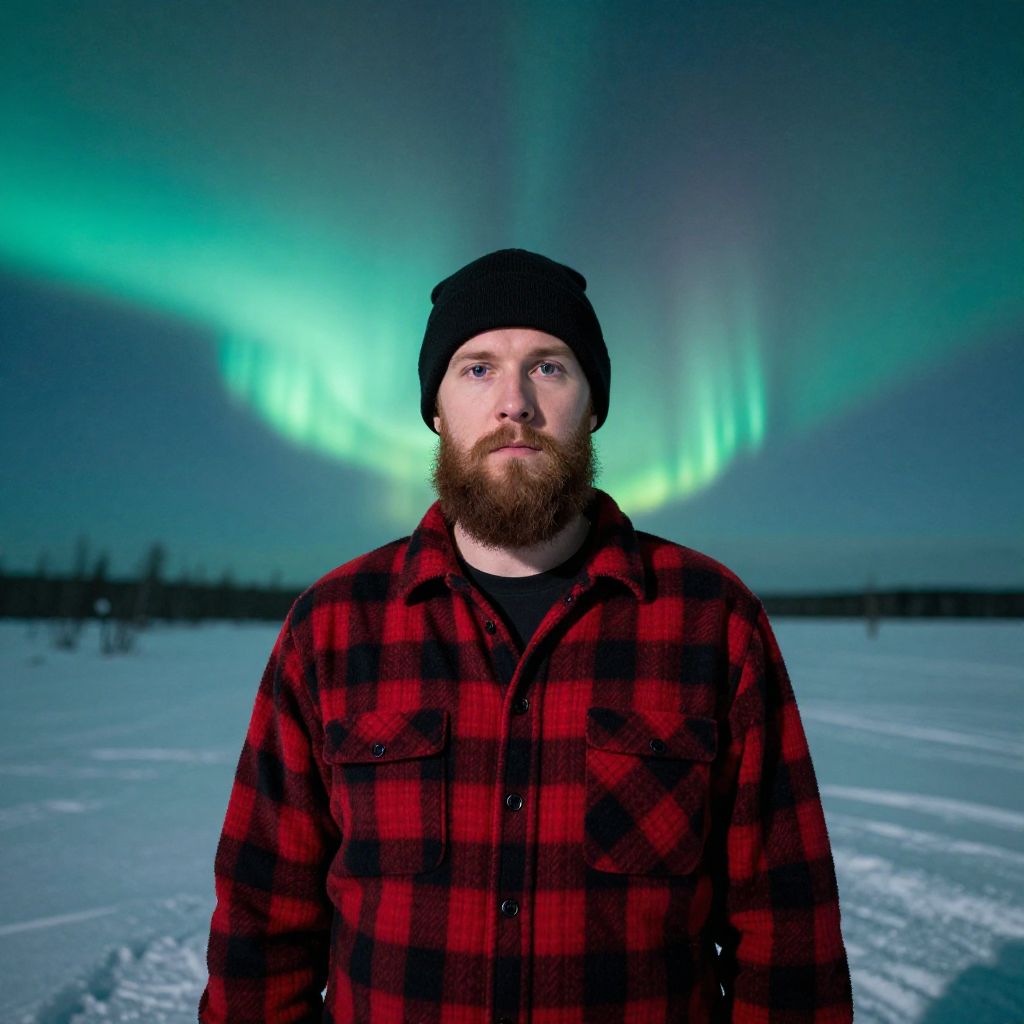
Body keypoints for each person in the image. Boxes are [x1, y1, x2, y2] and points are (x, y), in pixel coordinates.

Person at [200, 249, 854, 1023]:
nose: (514, 403)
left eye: (549, 368)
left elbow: (788, 940)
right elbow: (260, 929)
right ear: (437, 410)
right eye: (477, 369)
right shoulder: (333, 627)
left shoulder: (711, 620)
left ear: (594, 405)